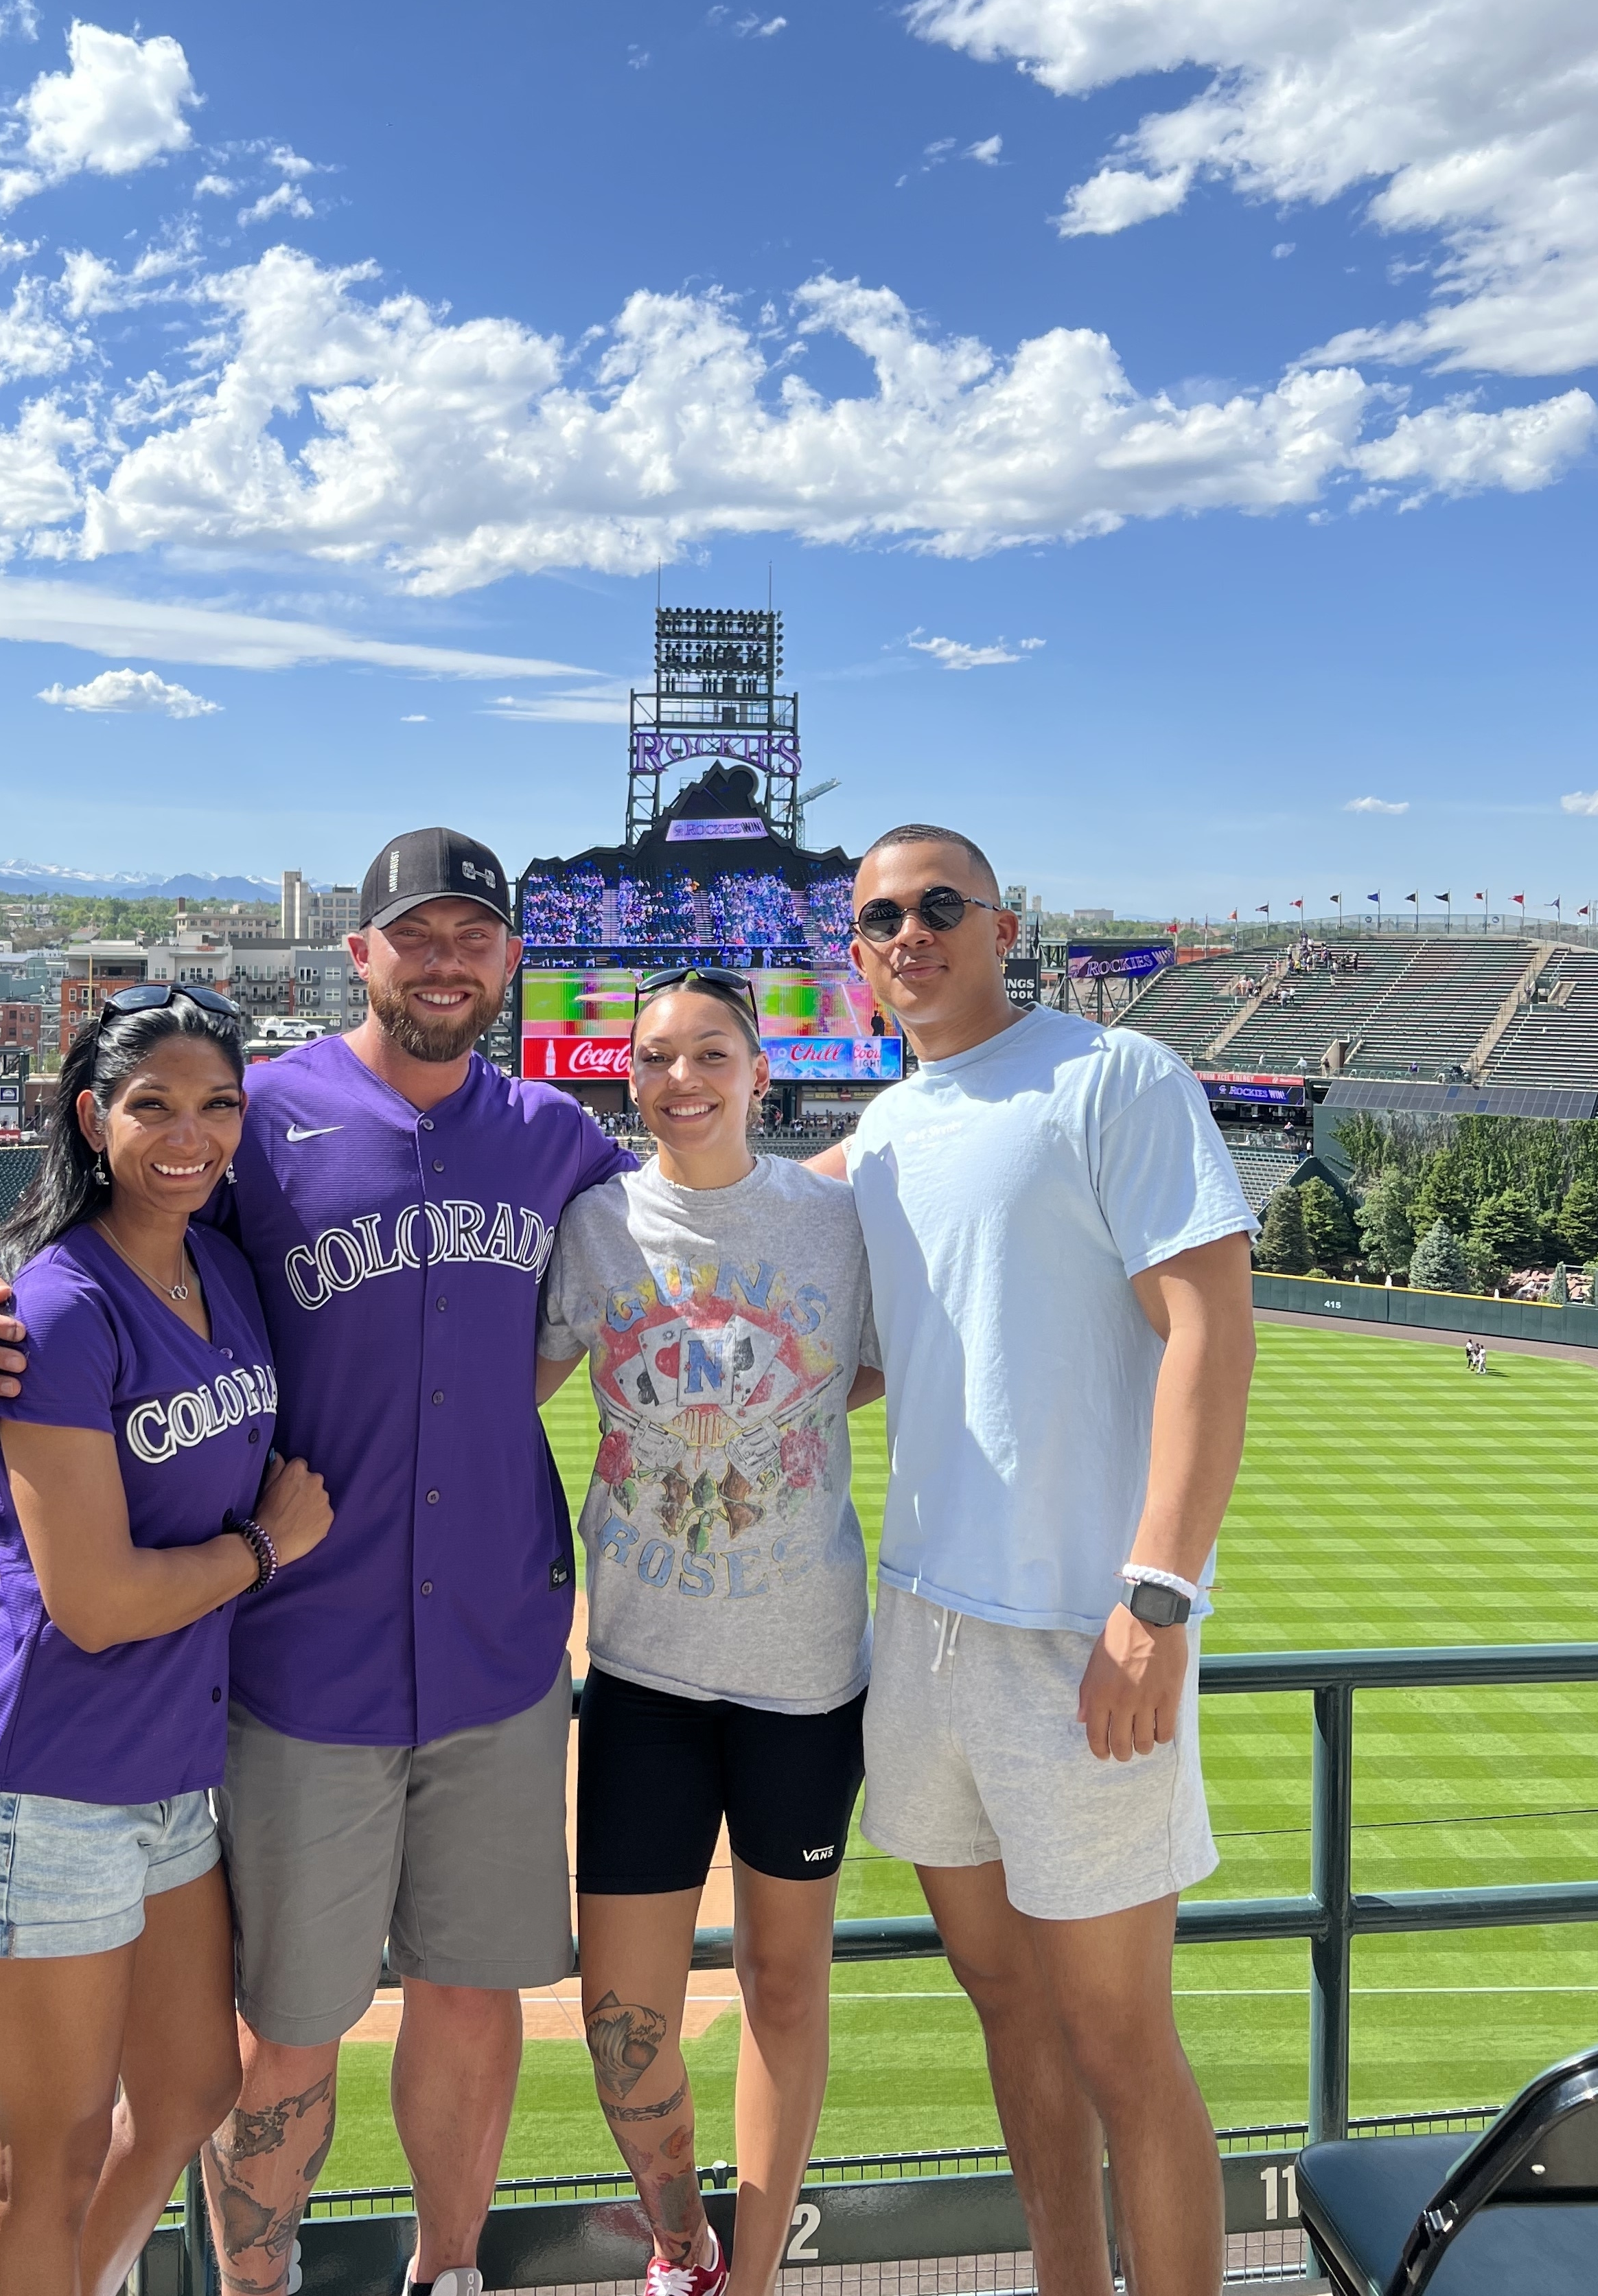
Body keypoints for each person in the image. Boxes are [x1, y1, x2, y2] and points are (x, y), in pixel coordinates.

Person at [0, 829, 634, 2296]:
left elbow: (714, 1197)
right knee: (286, 2029)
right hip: (301, 1655)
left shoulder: (556, 1134)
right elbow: (103, 1228)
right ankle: (259, 2285)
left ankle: (449, 2271)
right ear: (360, 952)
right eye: (413, 933)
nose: (444, 961)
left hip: (498, 1650)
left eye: (473, 936)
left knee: (467, 1993)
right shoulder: (261, 1115)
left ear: (510, 960)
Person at [811, 826, 1255, 2296]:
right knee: (1007, 2008)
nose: (910, 931)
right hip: (922, 1629)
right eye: (881, 915)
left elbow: (1211, 1330)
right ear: (858, 954)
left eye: (941, 904)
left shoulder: (1115, 1074)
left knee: (1123, 2040)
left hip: (1081, 1633)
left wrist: (1156, 1600)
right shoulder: (888, 1129)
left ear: (1005, 927)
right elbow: (843, 1324)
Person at [0, 987, 333, 2296]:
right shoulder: (60, 1306)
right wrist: (265, 1549)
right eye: (154, 1105)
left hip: (164, 1782)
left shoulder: (222, 1267)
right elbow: (90, 1602)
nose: (189, 1135)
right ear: (95, 1119)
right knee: (49, 2159)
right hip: (40, 1786)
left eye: (218, 1105)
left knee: (194, 2084)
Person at [537, 970, 880, 2296]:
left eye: (710, 1054)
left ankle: (758, 2267)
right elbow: (499, 1383)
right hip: (645, 1676)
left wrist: (775, 1421)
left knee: (786, 1990)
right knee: (622, 2025)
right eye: (655, 1057)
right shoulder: (596, 1226)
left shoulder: (833, 1221)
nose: (680, 1079)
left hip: (804, 1681)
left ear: (758, 1070)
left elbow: (873, 1362)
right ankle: (684, 2238)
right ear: (627, 1074)